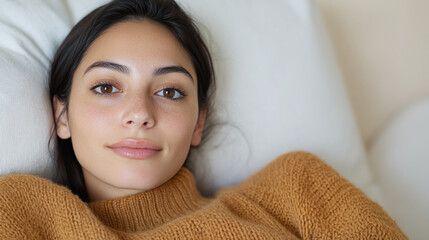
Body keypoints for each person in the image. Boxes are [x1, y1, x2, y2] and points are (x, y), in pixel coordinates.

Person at [0, 0, 407, 239]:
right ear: (62, 114)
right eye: (107, 87)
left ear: (198, 124)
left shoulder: (295, 188)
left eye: (170, 91)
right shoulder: (24, 211)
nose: (140, 113)